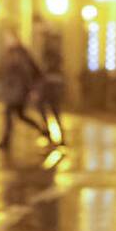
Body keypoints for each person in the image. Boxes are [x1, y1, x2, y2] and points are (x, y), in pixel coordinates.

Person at [0, 29, 51, 149]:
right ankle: (42, 130)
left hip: (19, 90)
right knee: (21, 115)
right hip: (12, 90)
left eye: (8, 38)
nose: (6, 41)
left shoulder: (20, 54)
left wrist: (32, 89)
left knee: (9, 113)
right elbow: (1, 70)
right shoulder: (9, 53)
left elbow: (29, 72)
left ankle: (6, 141)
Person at [35, 16, 66, 145]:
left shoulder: (50, 42)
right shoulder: (48, 41)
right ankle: (52, 134)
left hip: (51, 81)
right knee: (46, 107)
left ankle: (56, 135)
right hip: (50, 81)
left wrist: (45, 71)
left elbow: (54, 61)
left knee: (52, 108)